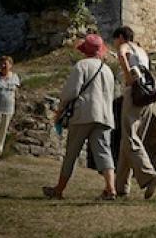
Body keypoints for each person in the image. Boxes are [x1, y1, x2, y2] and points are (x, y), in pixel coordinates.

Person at [43, 33, 116, 200]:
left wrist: (60, 110)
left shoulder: (82, 66)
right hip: (104, 115)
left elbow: (71, 92)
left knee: (72, 153)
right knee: (104, 152)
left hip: (83, 113)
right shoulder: (108, 70)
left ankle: (59, 189)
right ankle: (110, 188)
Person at [112, 26, 156, 199]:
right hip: (147, 95)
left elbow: (121, 54)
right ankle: (121, 186)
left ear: (120, 37)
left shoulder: (125, 46)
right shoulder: (142, 51)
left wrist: (127, 77)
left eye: (115, 40)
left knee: (129, 137)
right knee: (132, 139)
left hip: (134, 92)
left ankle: (149, 175)